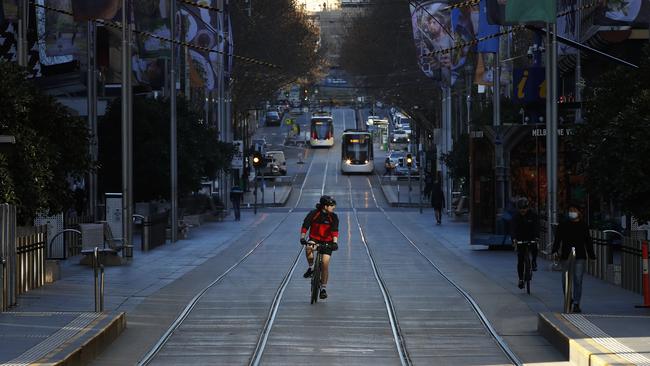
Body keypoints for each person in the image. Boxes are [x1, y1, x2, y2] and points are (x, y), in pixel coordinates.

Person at [552, 204, 596, 313]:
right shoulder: (563, 225)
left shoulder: (583, 225)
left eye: (574, 210)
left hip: (580, 256)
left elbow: (588, 241)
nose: (572, 212)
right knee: (565, 280)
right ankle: (568, 298)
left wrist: (591, 256)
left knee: (578, 279)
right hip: (566, 255)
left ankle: (576, 302)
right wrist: (554, 251)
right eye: (570, 210)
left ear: (579, 212)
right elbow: (558, 239)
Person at [300, 195, 339, 300]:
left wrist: (335, 243)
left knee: (325, 264)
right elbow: (305, 225)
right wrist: (302, 237)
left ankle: (323, 289)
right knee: (308, 247)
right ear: (325, 206)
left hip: (328, 241)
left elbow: (334, 230)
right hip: (315, 238)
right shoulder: (314, 213)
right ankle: (311, 268)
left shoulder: (333, 216)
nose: (333, 207)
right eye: (331, 205)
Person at [511, 197, 539, 289]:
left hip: (531, 236)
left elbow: (536, 227)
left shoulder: (533, 215)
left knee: (534, 247)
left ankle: (534, 261)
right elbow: (513, 229)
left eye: (524, 208)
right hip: (520, 238)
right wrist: (514, 239)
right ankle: (520, 279)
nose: (522, 210)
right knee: (520, 259)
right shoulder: (516, 216)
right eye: (520, 209)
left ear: (527, 208)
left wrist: (536, 237)